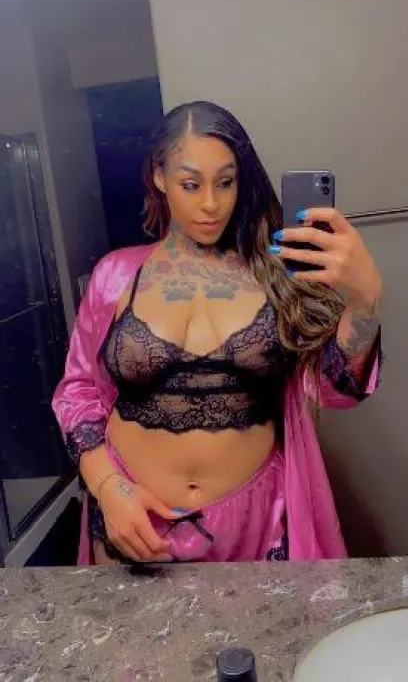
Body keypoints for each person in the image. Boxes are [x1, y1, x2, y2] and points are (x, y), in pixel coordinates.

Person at [53, 101, 382, 565]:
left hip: (255, 521)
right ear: (160, 177)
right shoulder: (116, 276)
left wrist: (364, 301)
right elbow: (77, 392)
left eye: (225, 182)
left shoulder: (275, 274)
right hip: (135, 516)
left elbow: (336, 391)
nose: (211, 203)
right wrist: (108, 489)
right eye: (191, 184)